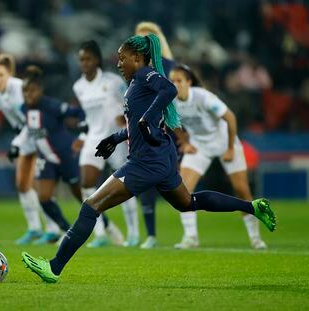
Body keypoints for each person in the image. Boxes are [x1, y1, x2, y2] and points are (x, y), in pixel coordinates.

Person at [21, 34, 276, 283]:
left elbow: (169, 89)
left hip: (146, 161)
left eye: (123, 59)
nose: (119, 63)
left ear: (138, 57)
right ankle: (252, 207)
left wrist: (144, 119)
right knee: (188, 202)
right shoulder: (136, 83)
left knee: (91, 206)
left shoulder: (145, 75)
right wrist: (116, 137)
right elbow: (139, 121)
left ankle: (54, 267)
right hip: (161, 157)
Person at [170, 64, 267, 250]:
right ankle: (190, 238)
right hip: (199, 145)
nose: (175, 84)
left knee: (242, 190)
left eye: (179, 80)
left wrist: (230, 148)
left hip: (223, 141)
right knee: (182, 190)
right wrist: (185, 142)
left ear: (189, 82)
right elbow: (172, 121)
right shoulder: (171, 102)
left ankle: (256, 238)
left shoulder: (203, 97)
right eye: (172, 81)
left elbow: (230, 117)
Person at [0, 54, 59, 245]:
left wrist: (15, 145)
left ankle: (54, 229)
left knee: (40, 183)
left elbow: (32, 120)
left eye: (0, 75)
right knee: (22, 184)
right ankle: (35, 228)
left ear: (9, 74)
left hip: (38, 135)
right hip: (23, 137)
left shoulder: (21, 89)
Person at [71, 40, 138, 247]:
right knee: (86, 183)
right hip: (94, 138)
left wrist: (125, 120)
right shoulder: (79, 87)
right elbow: (89, 117)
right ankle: (100, 234)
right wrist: (82, 138)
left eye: (88, 59)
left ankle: (133, 233)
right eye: (81, 59)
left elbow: (130, 102)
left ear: (97, 60)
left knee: (125, 185)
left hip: (115, 138)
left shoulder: (113, 81)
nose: (84, 63)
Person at [17, 65, 83, 243]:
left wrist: (84, 134)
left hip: (65, 155)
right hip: (45, 158)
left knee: (82, 196)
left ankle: (105, 227)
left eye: (31, 91)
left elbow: (78, 112)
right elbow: (30, 130)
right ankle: (68, 232)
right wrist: (17, 145)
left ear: (40, 90)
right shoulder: (23, 108)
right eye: (25, 92)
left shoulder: (52, 106)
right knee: (44, 198)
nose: (28, 95)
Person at [134, 21, 176, 248]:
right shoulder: (133, 69)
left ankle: (190, 233)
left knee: (182, 190)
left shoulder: (168, 66)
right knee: (146, 184)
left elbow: (174, 93)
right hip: (143, 131)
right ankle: (149, 234)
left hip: (169, 131)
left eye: (148, 38)